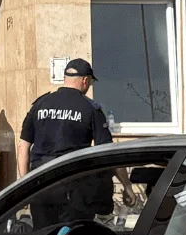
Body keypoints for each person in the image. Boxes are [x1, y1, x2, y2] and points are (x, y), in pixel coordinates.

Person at [17, 58, 115, 226]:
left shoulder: (39, 105)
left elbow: (23, 148)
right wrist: (125, 186)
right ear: (85, 80)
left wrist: (26, 187)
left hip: (41, 184)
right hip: (74, 186)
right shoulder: (91, 108)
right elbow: (106, 152)